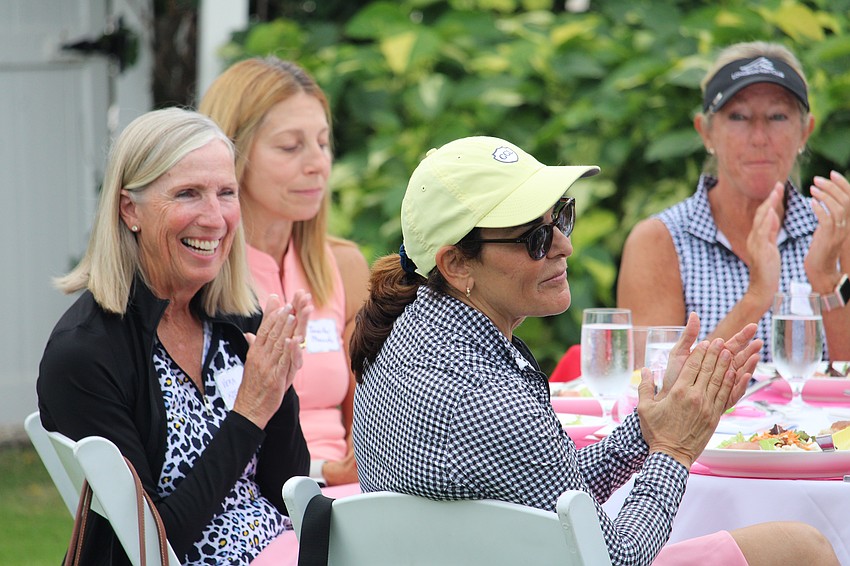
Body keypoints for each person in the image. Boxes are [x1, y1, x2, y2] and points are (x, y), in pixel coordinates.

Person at [349, 135, 838, 565]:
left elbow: (552, 487)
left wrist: (651, 426)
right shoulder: (483, 395)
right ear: (456, 264)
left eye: (561, 217)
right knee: (804, 548)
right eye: (535, 238)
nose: (564, 245)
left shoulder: (404, 335)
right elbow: (616, 558)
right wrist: (675, 448)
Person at [37, 107, 312, 565]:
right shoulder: (85, 353)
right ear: (130, 210)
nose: (215, 218)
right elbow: (148, 548)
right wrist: (249, 412)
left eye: (226, 193)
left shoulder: (234, 319)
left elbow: (287, 493)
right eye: (188, 193)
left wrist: (279, 390)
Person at [618, 41, 850, 362]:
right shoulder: (660, 240)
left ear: (805, 132)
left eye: (778, 116)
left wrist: (826, 279)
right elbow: (657, 391)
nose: (759, 137)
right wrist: (756, 296)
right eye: (739, 116)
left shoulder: (837, 230)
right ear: (706, 132)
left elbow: (844, 381)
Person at [199, 57, 369, 487]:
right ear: (232, 156)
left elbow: (368, 424)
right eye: (291, 147)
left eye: (323, 142)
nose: (318, 164)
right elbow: (199, 447)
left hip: (351, 496)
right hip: (251, 504)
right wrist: (325, 473)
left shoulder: (343, 267)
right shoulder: (199, 276)